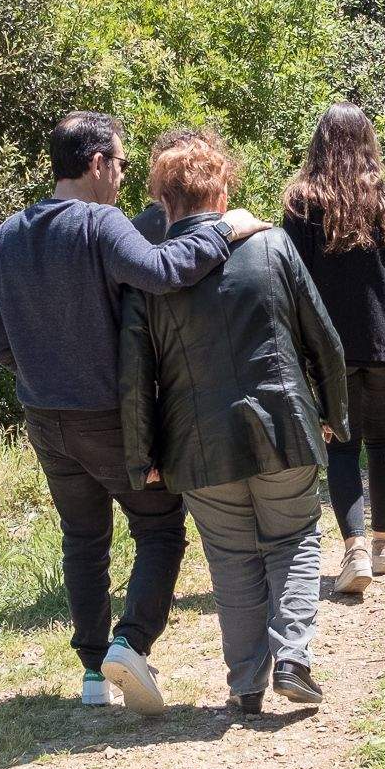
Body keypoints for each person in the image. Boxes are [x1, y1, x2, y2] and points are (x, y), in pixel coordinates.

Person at [0, 112, 269, 713]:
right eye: (119, 164)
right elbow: (164, 272)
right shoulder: (98, 223)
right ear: (95, 164)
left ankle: (92, 675)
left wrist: (45, 374)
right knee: (160, 528)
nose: (122, 178)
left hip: (44, 417)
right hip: (110, 416)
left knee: (83, 539)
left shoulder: (8, 234)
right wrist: (225, 229)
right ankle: (130, 643)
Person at [119, 129, 350, 715]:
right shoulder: (273, 248)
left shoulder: (148, 275)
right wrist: (333, 415)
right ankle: (293, 657)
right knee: (294, 539)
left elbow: (135, 377)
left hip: (196, 446)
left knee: (231, 559)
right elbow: (324, 341)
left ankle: (245, 683)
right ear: (222, 193)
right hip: (283, 427)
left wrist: (142, 457)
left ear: (164, 202)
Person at [281, 104, 385, 596]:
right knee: (384, 440)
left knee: (341, 445)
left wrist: (295, 346)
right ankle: (384, 545)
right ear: (368, 140)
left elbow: (290, 283)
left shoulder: (302, 203)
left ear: (319, 144)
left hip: (332, 348)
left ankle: (354, 551)